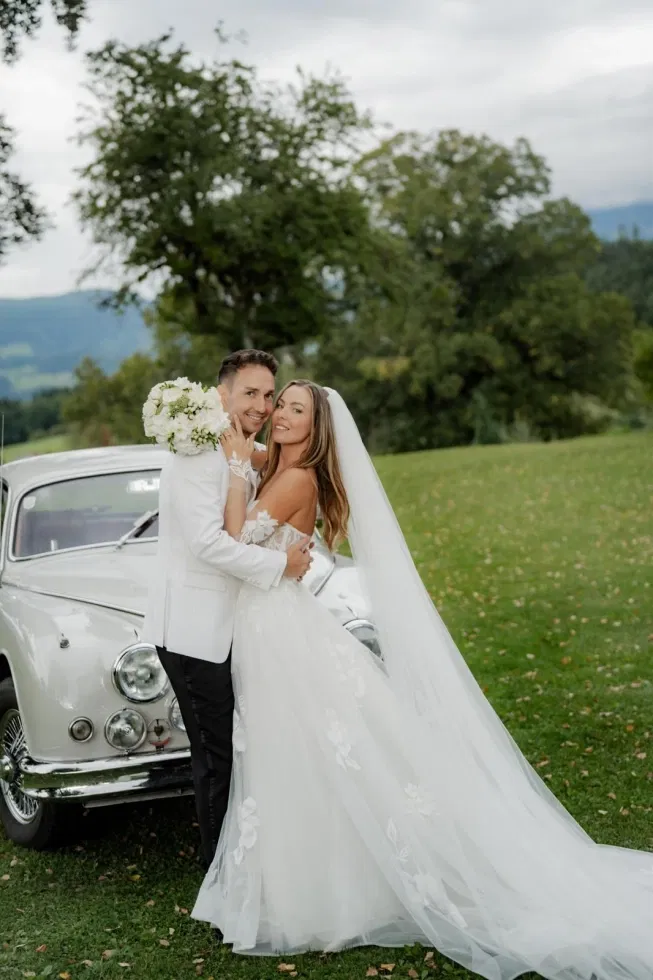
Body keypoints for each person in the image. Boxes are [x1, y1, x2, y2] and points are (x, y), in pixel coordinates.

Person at [192, 379, 653, 980]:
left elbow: (231, 538)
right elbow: (249, 467)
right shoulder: (278, 468)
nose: (279, 416)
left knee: (304, 752)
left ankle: (319, 895)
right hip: (270, 626)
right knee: (300, 756)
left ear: (317, 427)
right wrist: (226, 443)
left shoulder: (297, 478)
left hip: (280, 630)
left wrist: (232, 466)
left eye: (295, 410)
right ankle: (318, 885)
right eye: (280, 405)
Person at [142, 351, 312, 873]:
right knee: (215, 758)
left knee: (228, 751)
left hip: (225, 624)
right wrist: (280, 563)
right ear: (223, 394)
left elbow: (260, 457)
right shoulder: (199, 454)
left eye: (269, 395)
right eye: (251, 394)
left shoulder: (229, 443)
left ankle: (235, 866)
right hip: (192, 630)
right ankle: (219, 877)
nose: (262, 406)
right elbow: (210, 545)